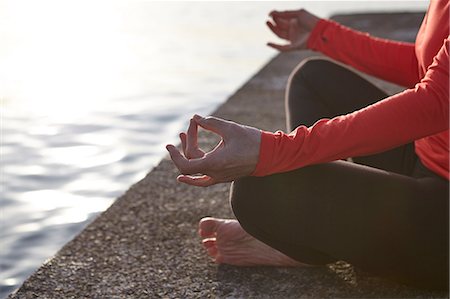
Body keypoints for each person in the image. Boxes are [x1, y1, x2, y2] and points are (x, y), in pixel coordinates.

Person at [166, 1, 449, 290]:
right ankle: (304, 236)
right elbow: (428, 67)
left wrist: (274, 151)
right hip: (427, 160)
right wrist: (324, 35)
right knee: (313, 80)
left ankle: (303, 240)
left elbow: (438, 100)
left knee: (258, 189)